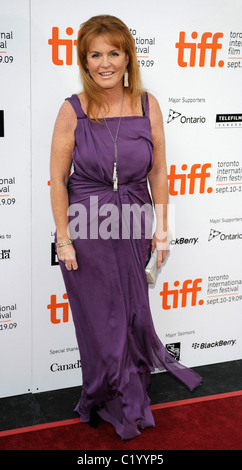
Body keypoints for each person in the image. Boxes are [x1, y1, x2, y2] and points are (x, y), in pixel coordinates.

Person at [50, 14, 202, 440]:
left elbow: (159, 172)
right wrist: (64, 240)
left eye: (113, 53)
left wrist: (163, 228)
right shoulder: (72, 110)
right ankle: (112, 395)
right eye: (95, 54)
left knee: (133, 312)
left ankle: (129, 388)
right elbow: (58, 181)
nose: (105, 63)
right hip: (87, 224)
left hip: (135, 220)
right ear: (84, 59)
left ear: (127, 57)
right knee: (103, 318)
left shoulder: (147, 104)